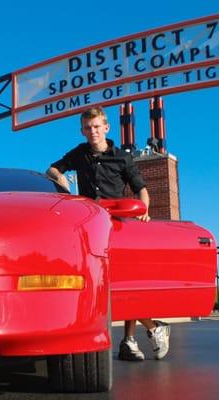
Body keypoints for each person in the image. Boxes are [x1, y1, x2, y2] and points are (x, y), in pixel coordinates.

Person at [46, 106, 170, 361]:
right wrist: (61, 179)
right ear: (82, 131)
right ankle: (152, 328)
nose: (92, 131)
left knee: (124, 280)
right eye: (87, 128)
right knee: (98, 281)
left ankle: (131, 339)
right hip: (89, 224)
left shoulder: (123, 157)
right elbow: (52, 169)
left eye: (96, 127)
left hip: (119, 223)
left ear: (106, 128)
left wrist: (144, 210)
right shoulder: (78, 154)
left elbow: (141, 188)